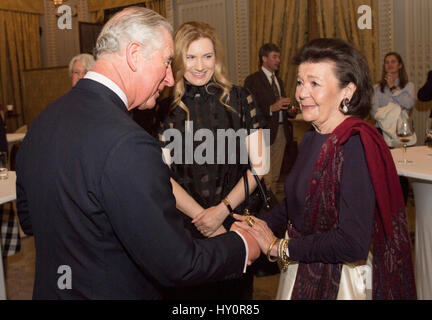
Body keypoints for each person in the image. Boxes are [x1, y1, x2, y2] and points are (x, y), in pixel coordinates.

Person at [16, 7, 259, 300]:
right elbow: (177, 264)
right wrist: (242, 244)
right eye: (167, 62)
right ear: (134, 55)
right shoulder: (129, 142)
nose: (170, 78)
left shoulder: (44, 121)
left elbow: (31, 222)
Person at [234, 38, 416, 300]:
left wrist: (280, 247)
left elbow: (352, 244)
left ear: (348, 91)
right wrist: (258, 225)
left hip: (338, 283)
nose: (301, 93)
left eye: (314, 83)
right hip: (302, 268)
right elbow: (294, 205)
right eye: (299, 82)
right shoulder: (312, 136)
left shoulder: (354, 144)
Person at [157, 21, 267, 299]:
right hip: (185, 228)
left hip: (236, 219)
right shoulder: (163, 109)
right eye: (191, 57)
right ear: (178, 59)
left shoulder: (241, 98)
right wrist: (202, 217)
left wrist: (221, 211)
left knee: (236, 296)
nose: (200, 65)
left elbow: (261, 167)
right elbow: (161, 176)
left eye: (207, 56)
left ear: (216, 58)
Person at [244, 43, 297, 193]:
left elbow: (280, 106)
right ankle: (264, 207)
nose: (278, 60)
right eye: (275, 57)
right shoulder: (252, 80)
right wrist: (271, 108)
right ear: (264, 58)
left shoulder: (278, 81)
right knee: (264, 175)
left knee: (275, 176)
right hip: (263, 131)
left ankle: (271, 205)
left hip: (281, 131)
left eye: (279, 57)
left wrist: (290, 110)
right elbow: (249, 109)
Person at [371, 52, 415, 204]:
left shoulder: (408, 86)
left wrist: (393, 88)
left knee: (400, 172)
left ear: (400, 65)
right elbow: (374, 112)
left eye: (393, 62)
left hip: (400, 132)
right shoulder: (377, 88)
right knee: (382, 171)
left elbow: (408, 104)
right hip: (380, 132)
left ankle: (400, 204)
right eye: (386, 62)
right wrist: (395, 107)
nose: (389, 64)